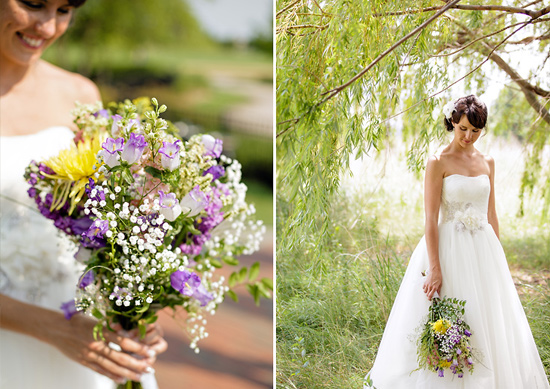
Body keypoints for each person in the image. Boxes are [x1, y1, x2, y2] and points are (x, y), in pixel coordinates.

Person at [0, 0, 167, 387]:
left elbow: (104, 224)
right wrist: (55, 330)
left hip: (85, 329)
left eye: (64, 9)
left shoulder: (79, 94)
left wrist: (133, 309)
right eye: (33, 3)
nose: (47, 26)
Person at [363, 95, 549, 388]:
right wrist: (434, 268)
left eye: (475, 131)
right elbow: (430, 219)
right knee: (450, 314)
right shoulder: (438, 162)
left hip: (483, 249)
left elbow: (491, 213)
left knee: (488, 317)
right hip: (450, 248)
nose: (468, 136)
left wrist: (498, 259)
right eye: (463, 128)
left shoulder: (487, 161)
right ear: (452, 122)